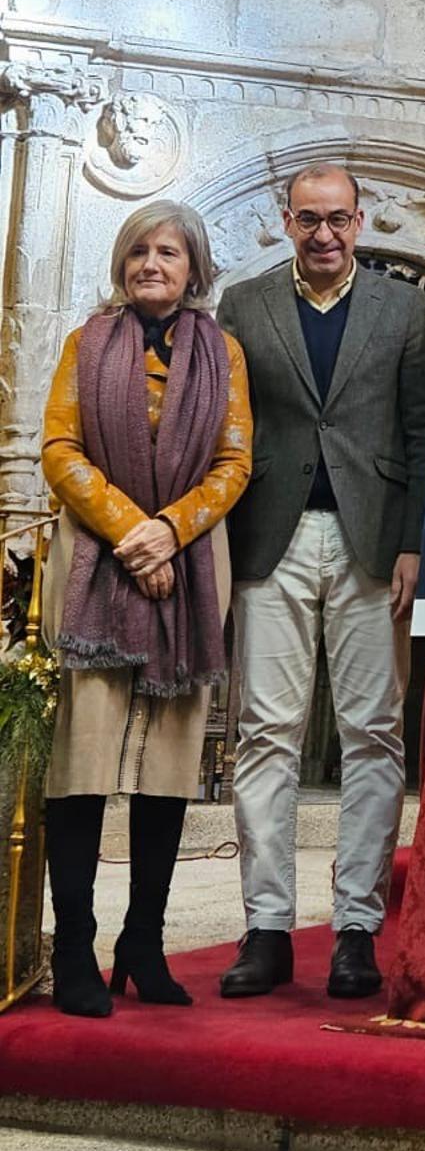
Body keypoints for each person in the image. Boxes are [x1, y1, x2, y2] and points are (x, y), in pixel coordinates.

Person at [217, 164, 425, 1000]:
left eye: (338, 219)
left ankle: (356, 927)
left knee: (374, 732)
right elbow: (225, 421)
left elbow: (424, 433)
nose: (323, 235)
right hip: (267, 540)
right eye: (307, 220)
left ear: (362, 219)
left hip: (372, 542)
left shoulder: (404, 308)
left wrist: (416, 542)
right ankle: (265, 927)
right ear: (284, 220)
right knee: (265, 732)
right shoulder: (243, 305)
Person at [40, 202, 252, 1017]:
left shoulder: (222, 353)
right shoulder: (85, 345)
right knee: (81, 770)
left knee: (167, 772)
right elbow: (60, 449)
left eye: (168, 251)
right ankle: (75, 950)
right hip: (98, 564)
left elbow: (235, 462)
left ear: (195, 268)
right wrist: (132, 530)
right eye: (138, 251)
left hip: (190, 569)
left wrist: (169, 531)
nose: (150, 263)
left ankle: (144, 942)